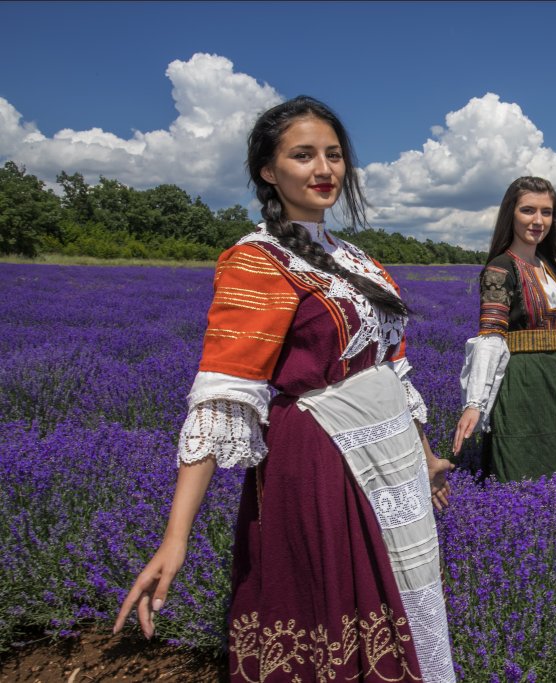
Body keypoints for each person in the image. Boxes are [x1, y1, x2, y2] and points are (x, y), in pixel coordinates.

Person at [113, 96, 456, 683]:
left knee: (400, 598)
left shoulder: (357, 260)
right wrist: (176, 539)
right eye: (303, 156)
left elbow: (395, 367)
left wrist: (425, 455)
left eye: (333, 155)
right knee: (337, 610)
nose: (323, 169)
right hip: (322, 461)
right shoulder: (257, 261)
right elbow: (224, 396)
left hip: (392, 457)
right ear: (269, 171)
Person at [451, 176, 556, 483]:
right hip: (523, 382)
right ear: (510, 214)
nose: (538, 220)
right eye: (528, 210)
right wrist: (474, 404)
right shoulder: (500, 270)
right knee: (522, 465)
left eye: (547, 212)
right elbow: (490, 336)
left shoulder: (547, 266)